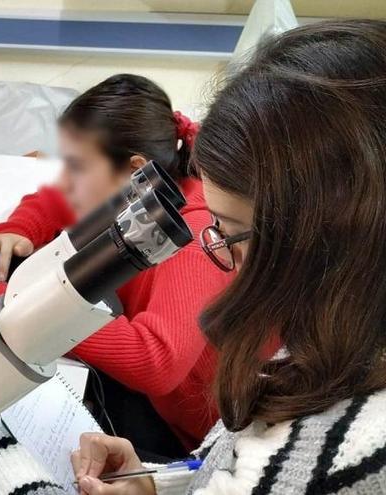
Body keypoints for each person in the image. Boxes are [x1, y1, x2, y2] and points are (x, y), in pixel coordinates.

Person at [68, 20, 386, 495]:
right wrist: (157, 484)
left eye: (234, 234)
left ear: (335, 237)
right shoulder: (325, 341)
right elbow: (230, 458)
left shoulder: (343, 444)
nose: (223, 253)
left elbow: (261, 468)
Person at [0, 75, 232, 457]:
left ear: (136, 168)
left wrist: (3, 305)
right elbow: (53, 200)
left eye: (77, 167)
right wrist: (16, 230)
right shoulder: (144, 191)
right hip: (166, 404)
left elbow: (156, 361)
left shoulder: (193, 237)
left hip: (195, 439)